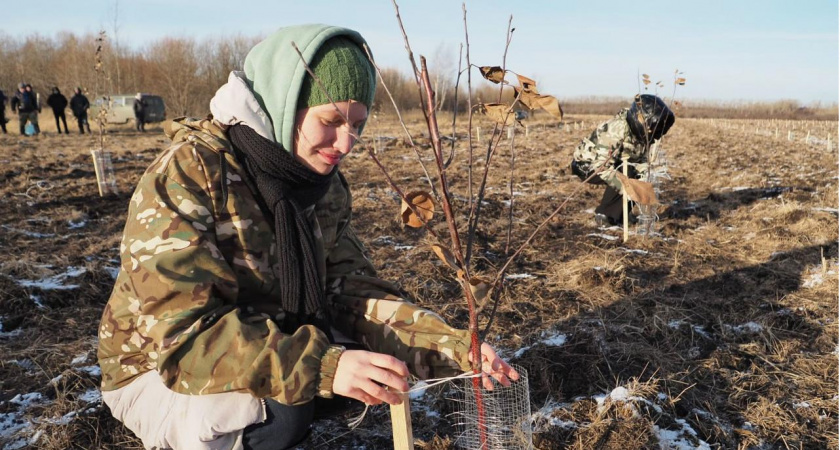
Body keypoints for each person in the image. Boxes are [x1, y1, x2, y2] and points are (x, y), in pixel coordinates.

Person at [97, 24, 518, 450]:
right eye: (331, 120)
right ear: (283, 104)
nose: (347, 143)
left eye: (358, 123)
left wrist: (447, 346)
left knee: (371, 363)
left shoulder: (321, 183)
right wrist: (326, 367)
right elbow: (182, 338)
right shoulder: (187, 176)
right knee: (286, 408)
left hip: (265, 333)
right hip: (156, 370)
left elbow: (349, 290)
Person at [570, 94, 675, 225]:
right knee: (627, 177)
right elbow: (601, 167)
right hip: (587, 165)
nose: (654, 132)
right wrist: (628, 188)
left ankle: (620, 215)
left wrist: (643, 182)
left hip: (615, 163)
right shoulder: (617, 130)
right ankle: (605, 215)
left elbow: (641, 161)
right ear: (640, 118)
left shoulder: (643, 135)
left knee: (635, 177)